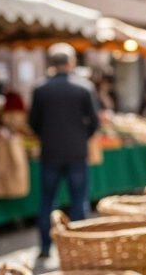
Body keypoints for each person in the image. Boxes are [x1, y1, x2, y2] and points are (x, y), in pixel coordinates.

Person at [29, 43, 100, 258]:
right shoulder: (84, 88)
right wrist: (81, 138)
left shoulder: (41, 89)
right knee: (78, 201)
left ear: (51, 63)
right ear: (71, 63)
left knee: (47, 201)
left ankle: (44, 247)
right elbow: (94, 122)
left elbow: (33, 122)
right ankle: (77, 248)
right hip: (76, 152)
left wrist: (48, 137)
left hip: (50, 152)